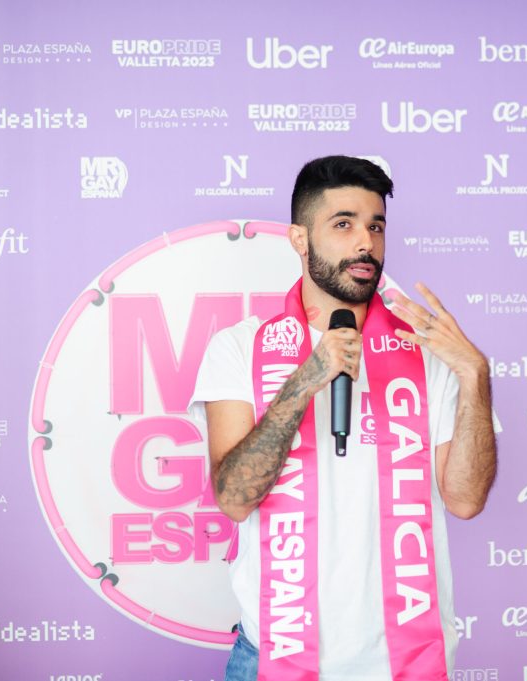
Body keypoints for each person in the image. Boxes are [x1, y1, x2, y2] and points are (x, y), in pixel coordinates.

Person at [188, 155, 498, 681]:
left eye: (376, 226)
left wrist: (474, 374)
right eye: (343, 224)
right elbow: (235, 498)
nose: (365, 243)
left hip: (406, 661)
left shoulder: (427, 351)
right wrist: (305, 381)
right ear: (299, 238)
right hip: (274, 657)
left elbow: (465, 500)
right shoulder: (240, 348)